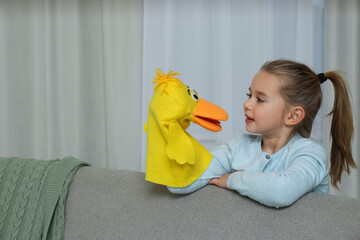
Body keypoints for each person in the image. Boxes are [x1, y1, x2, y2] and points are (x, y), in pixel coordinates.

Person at [167, 59, 357, 208]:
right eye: (249, 95)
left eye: (260, 99)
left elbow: (282, 191)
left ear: (293, 115)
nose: (247, 104)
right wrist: (169, 133)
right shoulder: (237, 146)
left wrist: (231, 179)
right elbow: (179, 183)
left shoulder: (310, 154)